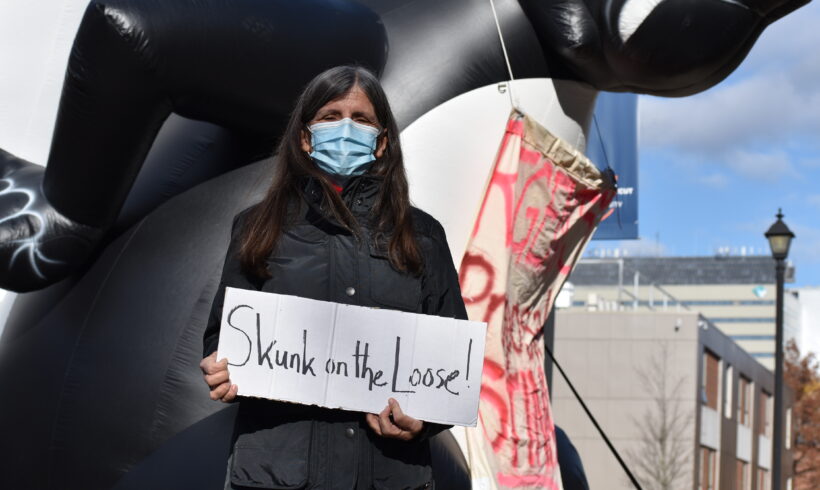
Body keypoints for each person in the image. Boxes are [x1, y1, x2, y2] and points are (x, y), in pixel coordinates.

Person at [199, 65, 468, 490]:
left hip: (388, 474)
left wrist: (424, 420)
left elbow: (452, 368)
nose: (345, 128)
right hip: (275, 477)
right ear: (305, 137)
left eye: (361, 119)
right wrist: (221, 367)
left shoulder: (423, 235)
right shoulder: (256, 227)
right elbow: (223, 339)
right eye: (329, 116)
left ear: (382, 142)